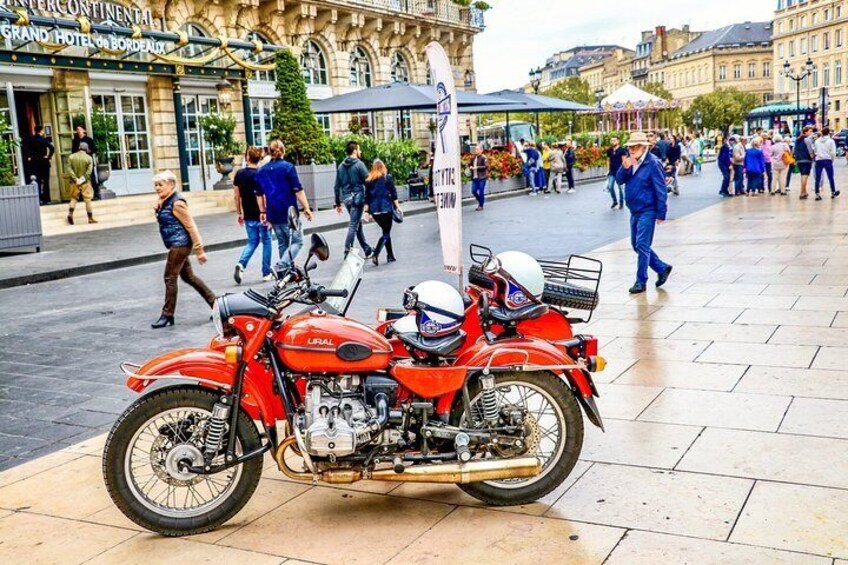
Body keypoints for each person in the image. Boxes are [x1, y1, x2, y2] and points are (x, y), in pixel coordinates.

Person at [151, 170, 216, 329]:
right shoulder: (166, 201)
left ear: (171, 185)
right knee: (189, 277)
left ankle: (167, 314)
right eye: (156, 185)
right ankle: (218, 307)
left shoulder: (177, 203)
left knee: (169, 277)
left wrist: (199, 250)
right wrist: (158, 208)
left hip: (180, 245)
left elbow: (191, 226)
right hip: (176, 243)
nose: (158, 188)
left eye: (161, 185)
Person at [615, 131, 672, 295]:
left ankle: (641, 281)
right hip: (634, 210)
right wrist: (624, 167)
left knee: (642, 245)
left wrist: (661, 213)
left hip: (648, 209)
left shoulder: (653, 163)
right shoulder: (630, 160)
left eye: (634, 147)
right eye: (630, 147)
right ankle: (662, 268)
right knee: (636, 245)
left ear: (643, 147)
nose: (631, 150)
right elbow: (620, 180)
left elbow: (661, 189)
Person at [256, 140, 314, 271]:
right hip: (289, 212)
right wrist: (306, 208)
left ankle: (285, 272)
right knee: (297, 242)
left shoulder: (261, 171)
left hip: (272, 212)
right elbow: (298, 190)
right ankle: (281, 265)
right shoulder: (288, 167)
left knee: (282, 242)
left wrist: (262, 212)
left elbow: (259, 194)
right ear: (283, 151)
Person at [233, 147, 274, 284]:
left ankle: (241, 264)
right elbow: (265, 195)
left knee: (252, 241)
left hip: (248, 213)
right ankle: (266, 272)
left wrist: (239, 212)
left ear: (247, 158)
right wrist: (268, 212)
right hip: (262, 213)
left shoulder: (239, 174)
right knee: (266, 241)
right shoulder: (261, 174)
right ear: (259, 159)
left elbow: (236, 196)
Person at [334, 141, 373, 257]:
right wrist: (370, 200)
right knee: (353, 225)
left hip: (346, 199)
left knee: (356, 224)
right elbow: (368, 182)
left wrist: (338, 203)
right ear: (355, 151)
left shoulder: (341, 166)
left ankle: (367, 249)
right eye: (359, 149)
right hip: (357, 198)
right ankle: (347, 251)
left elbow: (336, 186)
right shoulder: (359, 164)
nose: (360, 152)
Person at [363, 159, 400, 266]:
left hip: (375, 211)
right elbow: (393, 194)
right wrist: (397, 207)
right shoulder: (387, 178)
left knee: (385, 232)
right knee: (386, 233)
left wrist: (366, 212)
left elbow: (367, 198)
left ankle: (390, 256)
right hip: (386, 209)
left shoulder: (369, 181)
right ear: (383, 167)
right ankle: (376, 253)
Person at [66, 142, 97, 225]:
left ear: (79, 147)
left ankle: (70, 214)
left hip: (74, 182)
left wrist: (76, 179)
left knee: (74, 198)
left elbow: (69, 169)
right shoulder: (89, 158)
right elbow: (89, 172)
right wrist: (81, 179)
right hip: (85, 182)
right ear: (86, 149)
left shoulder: (71, 157)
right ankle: (90, 218)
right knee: (87, 199)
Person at [29, 125, 54, 205]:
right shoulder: (44, 140)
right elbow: (52, 148)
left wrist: (31, 157)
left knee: (37, 181)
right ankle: (46, 199)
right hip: (44, 161)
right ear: (40, 131)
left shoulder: (31, 139)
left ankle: (39, 199)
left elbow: (27, 150)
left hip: (35, 162)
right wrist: (49, 156)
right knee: (46, 181)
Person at [72, 125, 99, 199]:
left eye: (80, 129)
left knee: (91, 177)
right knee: (80, 178)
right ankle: (81, 195)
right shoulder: (75, 140)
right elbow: (73, 151)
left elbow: (94, 149)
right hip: (79, 161)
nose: (78, 131)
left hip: (87, 161)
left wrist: (88, 150)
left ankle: (95, 194)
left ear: (84, 130)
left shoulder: (88, 139)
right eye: (77, 129)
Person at [814, 127, 840, 200]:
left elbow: (815, 151)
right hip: (827, 159)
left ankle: (817, 193)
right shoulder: (831, 141)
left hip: (819, 160)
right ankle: (833, 192)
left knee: (818, 178)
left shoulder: (817, 141)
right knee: (830, 177)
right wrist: (832, 160)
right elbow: (833, 152)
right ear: (828, 133)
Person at [605, 136, 627, 209]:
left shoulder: (622, 150)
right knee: (610, 186)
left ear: (618, 141)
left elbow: (624, 161)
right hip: (612, 171)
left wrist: (624, 171)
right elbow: (608, 160)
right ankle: (615, 201)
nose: (613, 142)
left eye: (614, 140)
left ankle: (621, 203)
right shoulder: (609, 150)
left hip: (619, 171)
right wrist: (608, 170)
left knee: (620, 188)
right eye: (612, 140)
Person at [794, 126, 815, 200]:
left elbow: (795, 150)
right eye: (810, 131)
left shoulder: (797, 140)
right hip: (806, 160)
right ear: (805, 132)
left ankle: (805, 192)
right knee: (805, 176)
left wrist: (796, 159)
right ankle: (802, 192)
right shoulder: (808, 140)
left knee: (802, 176)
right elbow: (810, 151)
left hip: (799, 160)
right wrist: (813, 157)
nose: (811, 133)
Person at [469, 145, 488, 210]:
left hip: (482, 177)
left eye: (477, 149)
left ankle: (481, 205)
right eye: (475, 149)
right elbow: (470, 164)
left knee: (481, 191)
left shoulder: (483, 158)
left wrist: (477, 167)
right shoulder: (473, 158)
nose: (476, 150)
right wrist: (470, 167)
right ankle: (480, 199)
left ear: (481, 150)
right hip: (475, 178)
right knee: (473, 191)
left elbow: (485, 166)